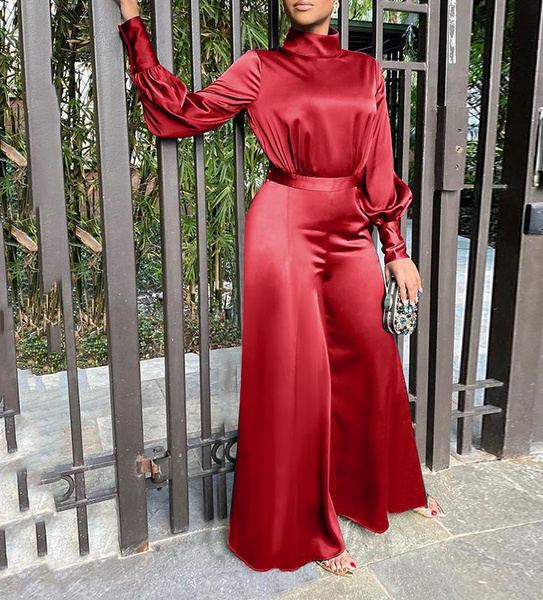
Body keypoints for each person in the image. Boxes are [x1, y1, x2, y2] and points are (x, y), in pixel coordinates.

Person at [118, 0, 446, 577]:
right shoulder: (260, 66)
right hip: (283, 222)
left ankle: (383, 488)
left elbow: (377, 162)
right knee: (297, 377)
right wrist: (132, 22)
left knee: (372, 357)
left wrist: (394, 248)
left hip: (351, 225)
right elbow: (181, 112)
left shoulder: (365, 70)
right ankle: (306, 528)